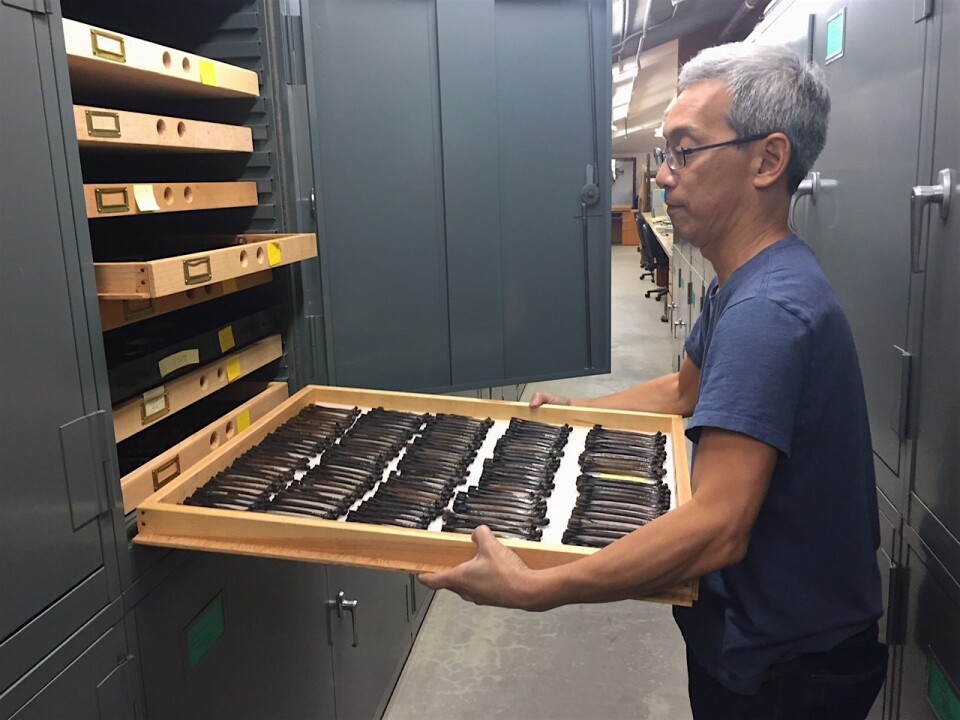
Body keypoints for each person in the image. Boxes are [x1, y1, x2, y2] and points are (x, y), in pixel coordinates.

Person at [420, 42, 887, 719]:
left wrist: (539, 586)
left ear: (768, 160)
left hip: (788, 669)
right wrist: (577, 411)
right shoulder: (747, 281)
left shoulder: (769, 312)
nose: (663, 177)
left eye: (684, 151)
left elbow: (720, 526)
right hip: (755, 639)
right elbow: (683, 394)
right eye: (665, 153)